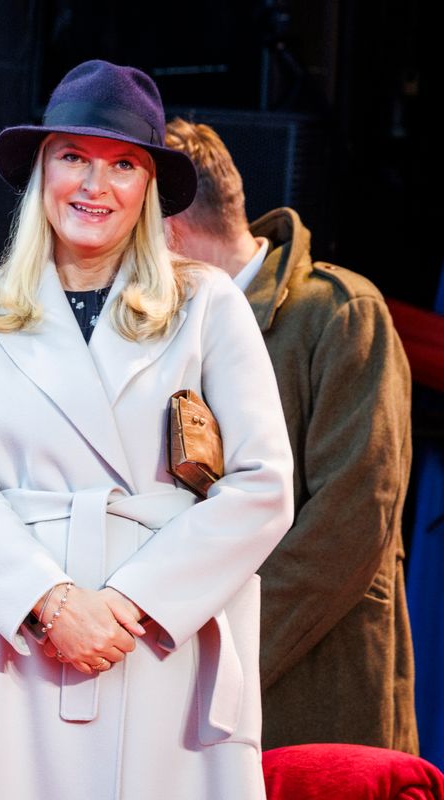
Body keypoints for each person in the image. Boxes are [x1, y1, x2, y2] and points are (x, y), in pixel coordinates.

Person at [0, 60, 295, 799]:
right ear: (42, 170)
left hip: (156, 645)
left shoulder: (207, 303)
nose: (95, 185)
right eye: (74, 157)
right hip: (16, 646)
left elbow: (264, 486)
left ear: (149, 188)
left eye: (123, 164)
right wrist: (52, 603)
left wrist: (129, 602)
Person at [164, 118, 418, 753]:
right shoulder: (167, 334)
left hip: (314, 705)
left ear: (167, 232)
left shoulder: (340, 313)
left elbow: (350, 523)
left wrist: (212, 659)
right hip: (199, 699)